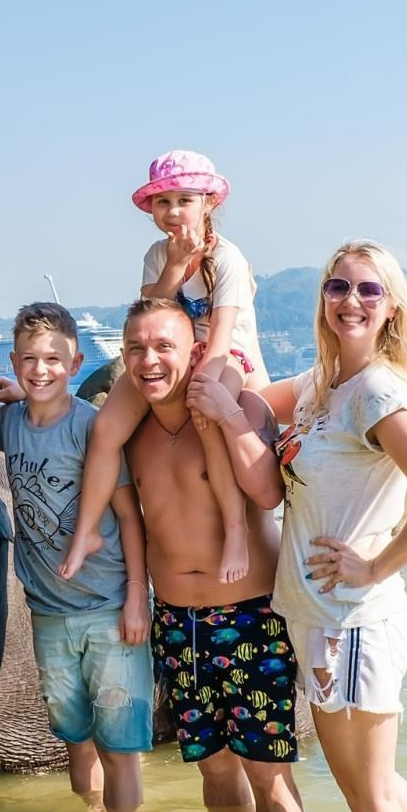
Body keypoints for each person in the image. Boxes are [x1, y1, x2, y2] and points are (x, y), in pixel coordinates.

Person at [257, 239, 407, 812]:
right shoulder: (322, 383)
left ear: (391, 307)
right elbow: (248, 401)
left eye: (369, 289)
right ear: (323, 298)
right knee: (365, 785)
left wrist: (376, 566)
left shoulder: (378, 390)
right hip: (317, 615)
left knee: (367, 794)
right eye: (339, 286)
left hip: (354, 619)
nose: (351, 300)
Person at [119, 296, 303, 812]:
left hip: (251, 614)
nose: (149, 360)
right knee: (213, 767)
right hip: (177, 623)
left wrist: (224, 413)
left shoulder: (243, 407)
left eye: (164, 346)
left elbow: (268, 494)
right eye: (136, 349)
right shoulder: (132, 430)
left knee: (268, 773)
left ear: (195, 352)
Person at [0, 303, 153, 812]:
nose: (41, 370)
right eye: (29, 359)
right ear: (13, 362)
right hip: (49, 612)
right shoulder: (8, 424)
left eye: (54, 359)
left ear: (75, 365)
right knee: (74, 739)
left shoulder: (91, 428)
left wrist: (137, 598)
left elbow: (130, 516)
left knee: (119, 746)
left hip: (108, 607)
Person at [57, 151, 269, 591]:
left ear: (208, 203)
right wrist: (175, 264)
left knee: (206, 415)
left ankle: (235, 530)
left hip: (225, 354)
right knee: (106, 428)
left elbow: (223, 334)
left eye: (184, 200)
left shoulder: (227, 258)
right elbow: (149, 314)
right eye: (162, 202)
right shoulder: (157, 254)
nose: (173, 211)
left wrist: (206, 387)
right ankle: (88, 529)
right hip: (169, 351)